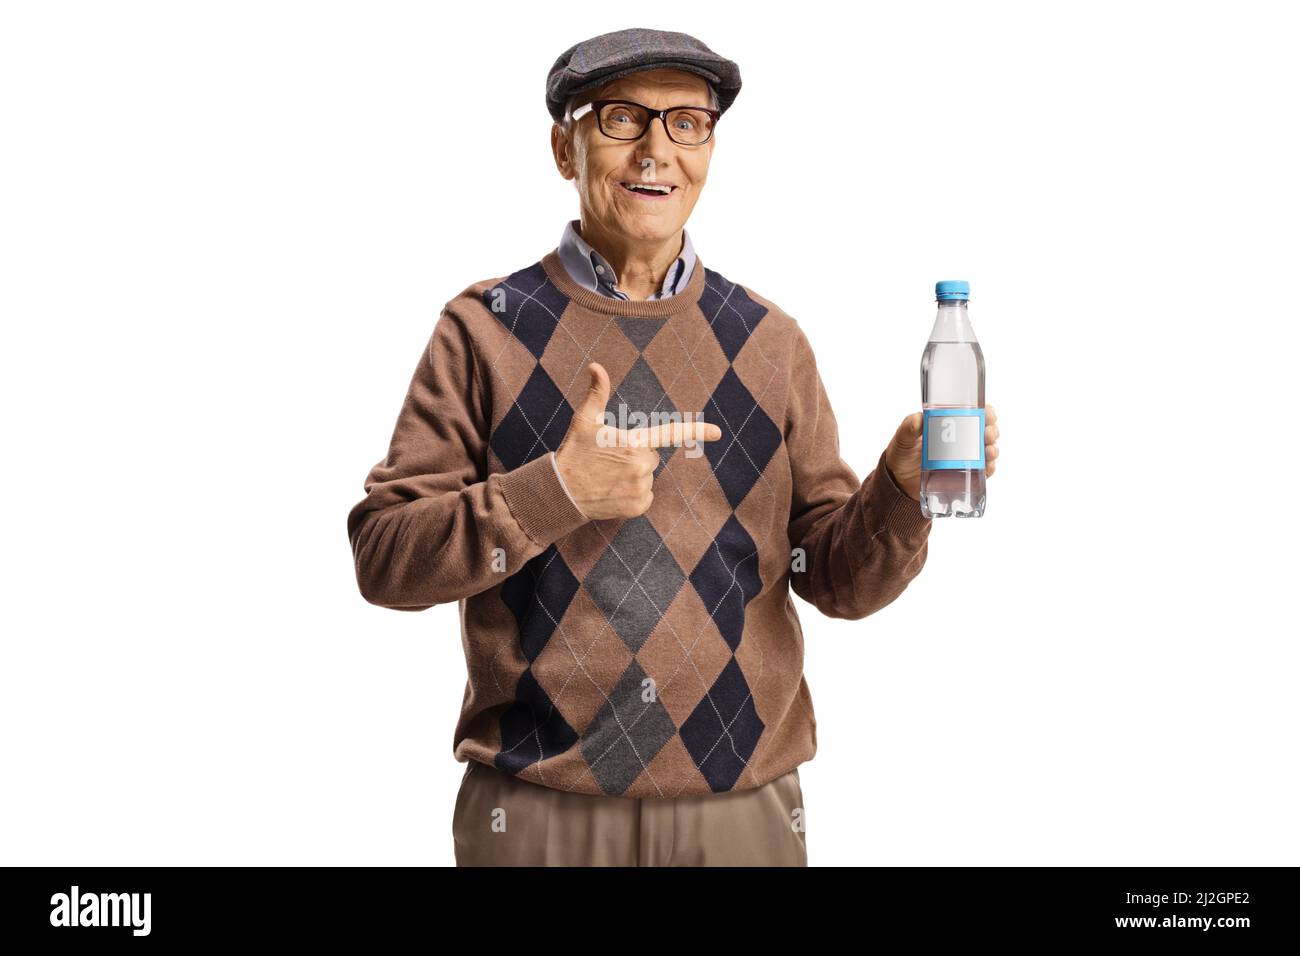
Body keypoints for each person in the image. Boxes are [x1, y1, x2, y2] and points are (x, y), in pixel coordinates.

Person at [346, 27, 1001, 866]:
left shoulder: (770, 341)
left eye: (687, 123)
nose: (657, 150)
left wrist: (901, 493)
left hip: (742, 816)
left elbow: (838, 580)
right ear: (563, 145)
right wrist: (556, 491)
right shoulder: (483, 330)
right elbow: (384, 559)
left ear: (710, 150)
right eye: (622, 119)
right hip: (540, 811)